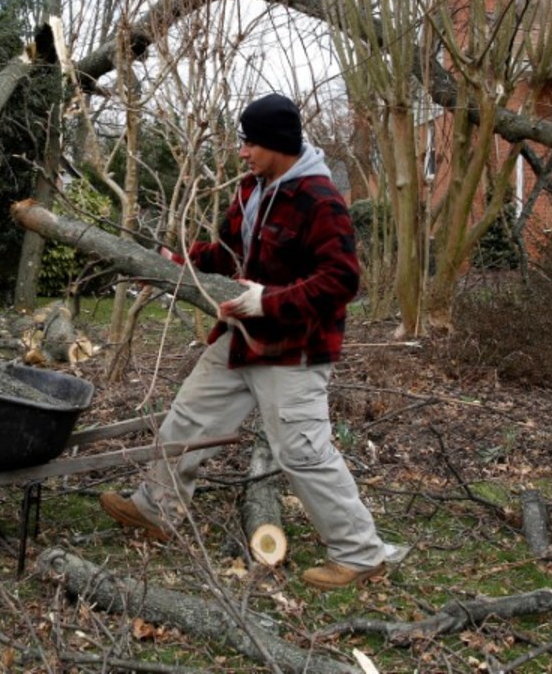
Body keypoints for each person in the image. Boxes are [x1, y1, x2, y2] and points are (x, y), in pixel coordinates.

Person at [99, 93, 389, 590]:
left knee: (302, 452)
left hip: (293, 350)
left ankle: (361, 554)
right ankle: (157, 510)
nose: (242, 151)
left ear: (277, 143)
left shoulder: (320, 200)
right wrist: (175, 264)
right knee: (186, 420)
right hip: (240, 339)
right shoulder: (254, 190)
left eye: (250, 142)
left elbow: (341, 280)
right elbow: (228, 253)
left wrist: (268, 302)